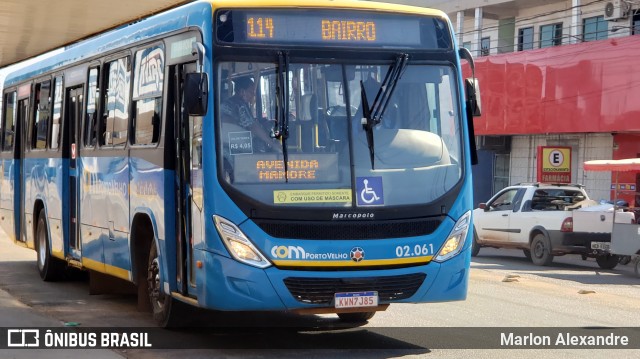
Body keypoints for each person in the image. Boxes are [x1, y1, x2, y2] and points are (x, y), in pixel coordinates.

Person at [221, 75, 279, 152]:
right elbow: (253, 127)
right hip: (236, 149)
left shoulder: (228, 103)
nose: (253, 95)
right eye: (251, 92)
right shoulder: (239, 105)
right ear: (242, 92)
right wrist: (273, 144)